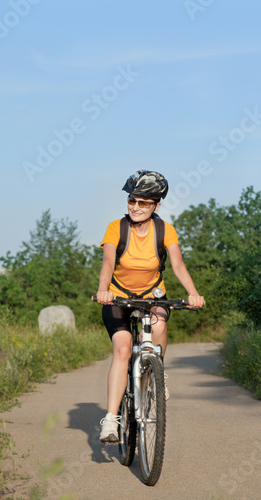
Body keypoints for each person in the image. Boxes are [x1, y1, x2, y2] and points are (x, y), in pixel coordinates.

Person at [96, 170, 204, 443]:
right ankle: (111, 419)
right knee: (122, 347)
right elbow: (108, 262)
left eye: (144, 203)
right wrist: (103, 291)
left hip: (152, 296)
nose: (136, 207)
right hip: (118, 297)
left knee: (159, 323)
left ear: (157, 205)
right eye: (133, 200)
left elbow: (178, 264)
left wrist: (193, 293)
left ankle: (157, 371)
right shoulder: (115, 228)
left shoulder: (164, 230)